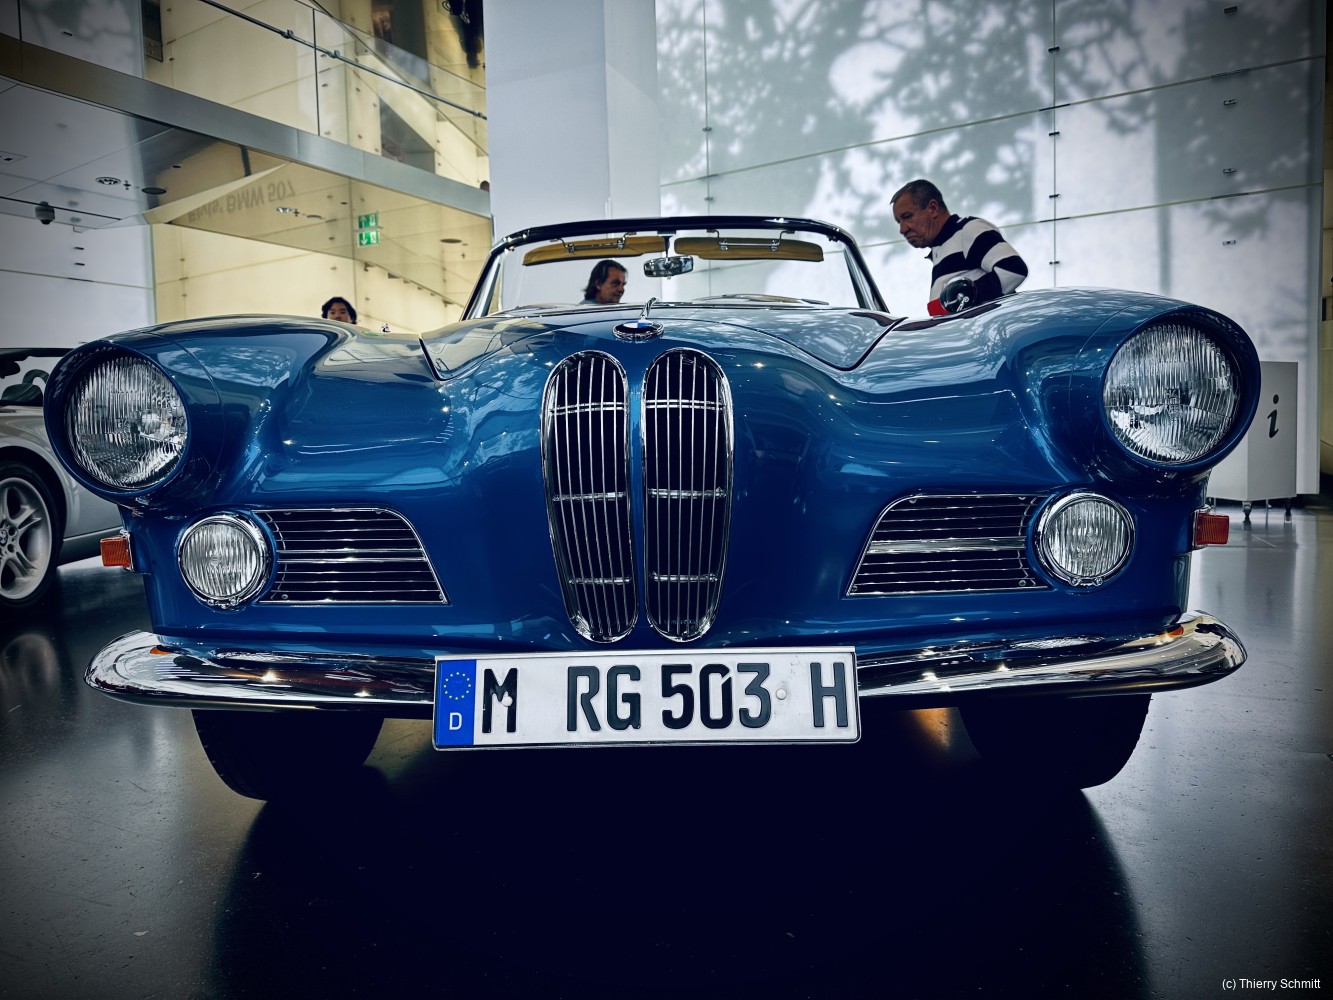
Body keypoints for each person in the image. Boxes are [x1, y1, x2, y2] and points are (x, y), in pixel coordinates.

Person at [890, 179, 1027, 316]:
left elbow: (1013, 270)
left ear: (933, 208)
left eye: (907, 216)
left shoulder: (968, 229)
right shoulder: (941, 249)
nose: (902, 229)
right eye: (898, 222)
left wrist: (960, 298)